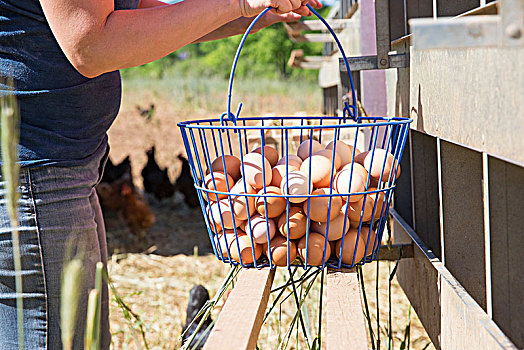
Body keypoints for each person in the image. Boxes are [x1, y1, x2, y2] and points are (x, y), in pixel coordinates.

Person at [0, 0, 322, 348]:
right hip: (33, 176)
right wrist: (239, 3)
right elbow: (90, 45)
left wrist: (252, 13)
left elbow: (149, 17)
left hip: (63, 170)